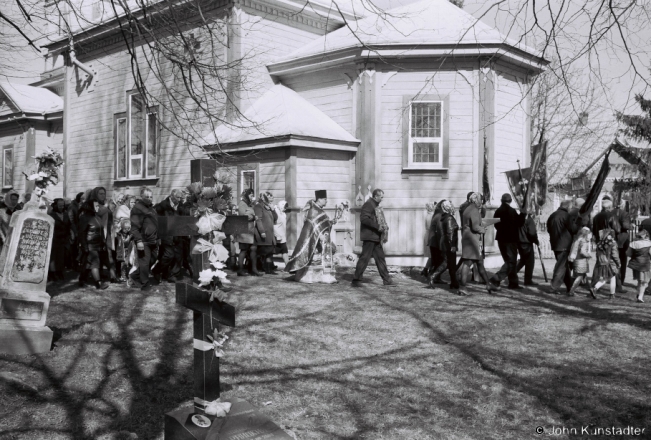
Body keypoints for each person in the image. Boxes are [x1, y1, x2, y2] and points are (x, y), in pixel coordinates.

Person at [286, 190, 338, 283]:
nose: (327, 201)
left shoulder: (318, 209)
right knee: (327, 250)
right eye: (325, 199)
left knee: (332, 249)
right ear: (319, 199)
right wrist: (320, 235)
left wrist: (330, 222)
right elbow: (314, 226)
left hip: (321, 239)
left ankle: (326, 274)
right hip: (314, 239)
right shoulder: (314, 210)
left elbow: (321, 224)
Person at [458, 192, 499, 296]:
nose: (481, 201)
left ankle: (488, 284)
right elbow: (475, 227)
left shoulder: (468, 209)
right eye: (480, 199)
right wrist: (483, 230)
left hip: (468, 239)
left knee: (479, 263)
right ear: (476, 200)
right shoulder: (474, 210)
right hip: (472, 240)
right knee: (467, 263)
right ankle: (462, 287)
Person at [351, 189, 392, 286]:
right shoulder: (368, 204)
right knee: (365, 258)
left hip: (375, 236)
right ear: (376, 196)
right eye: (381, 197)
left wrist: (383, 226)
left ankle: (387, 280)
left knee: (380, 258)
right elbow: (364, 219)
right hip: (370, 236)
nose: (382, 199)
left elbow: (378, 219)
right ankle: (356, 280)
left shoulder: (375, 205)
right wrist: (378, 226)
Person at [490, 194, 525, 289]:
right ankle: (496, 278)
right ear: (510, 201)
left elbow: (495, 225)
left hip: (501, 238)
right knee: (511, 261)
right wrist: (523, 214)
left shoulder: (498, 211)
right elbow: (520, 223)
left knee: (508, 260)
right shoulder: (511, 211)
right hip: (510, 239)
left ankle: (513, 283)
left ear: (502, 200)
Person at [130, 186, 159, 290]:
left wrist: (157, 237)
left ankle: (135, 275)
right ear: (141, 196)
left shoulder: (152, 208)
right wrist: (138, 241)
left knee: (153, 259)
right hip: (143, 240)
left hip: (153, 240)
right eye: (147, 196)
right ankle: (145, 284)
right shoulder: (137, 209)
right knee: (144, 262)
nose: (149, 198)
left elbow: (155, 224)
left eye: (151, 196)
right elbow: (134, 227)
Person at [78, 196, 109, 289]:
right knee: (95, 262)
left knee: (88, 263)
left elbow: (100, 231)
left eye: (98, 205)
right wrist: (84, 246)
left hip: (97, 244)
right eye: (96, 206)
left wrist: (103, 243)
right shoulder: (84, 217)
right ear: (91, 206)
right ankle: (98, 283)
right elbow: (81, 233)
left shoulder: (96, 217)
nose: (98, 207)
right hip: (89, 244)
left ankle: (82, 279)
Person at [428, 200, 459, 290]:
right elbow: (450, 233)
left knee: (452, 264)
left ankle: (454, 282)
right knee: (447, 262)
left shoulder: (443, 217)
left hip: (444, 243)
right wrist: (452, 245)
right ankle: (433, 276)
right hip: (449, 244)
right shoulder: (449, 218)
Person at [154, 189, 183, 282]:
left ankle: (172, 275)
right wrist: (158, 236)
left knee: (178, 255)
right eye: (177, 197)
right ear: (172, 196)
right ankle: (156, 271)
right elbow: (157, 221)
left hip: (178, 235)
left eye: (180, 198)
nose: (179, 199)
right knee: (168, 255)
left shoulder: (181, 206)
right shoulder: (162, 206)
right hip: (166, 235)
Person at [546, 200, 574, 294]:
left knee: (563, 266)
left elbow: (548, 229)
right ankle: (554, 287)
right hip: (564, 244)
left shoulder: (552, 215)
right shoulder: (566, 216)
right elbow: (573, 229)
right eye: (570, 207)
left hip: (556, 244)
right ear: (568, 207)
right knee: (561, 267)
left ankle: (570, 287)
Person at [588, 228, 620, 299]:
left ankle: (598, 289)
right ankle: (610, 293)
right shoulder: (612, 243)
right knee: (610, 278)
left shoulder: (600, 243)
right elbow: (615, 255)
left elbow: (597, 254)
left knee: (607, 277)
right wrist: (618, 263)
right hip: (610, 263)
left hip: (601, 262)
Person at [48, 198, 74, 282]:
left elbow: (69, 225)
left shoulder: (65, 214)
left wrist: (72, 233)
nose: (61, 207)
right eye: (60, 206)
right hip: (54, 238)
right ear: (55, 205)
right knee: (53, 257)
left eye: (63, 205)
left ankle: (60, 272)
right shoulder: (51, 215)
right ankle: (53, 273)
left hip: (64, 238)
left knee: (62, 256)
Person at [234, 189, 258, 276]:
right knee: (243, 250)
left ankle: (254, 269)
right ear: (247, 195)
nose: (252, 197)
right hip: (244, 231)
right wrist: (253, 217)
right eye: (251, 195)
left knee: (253, 249)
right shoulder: (242, 204)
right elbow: (243, 216)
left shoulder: (249, 204)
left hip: (250, 231)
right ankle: (240, 270)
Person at [254, 192, 278, 275]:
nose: (269, 199)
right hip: (264, 233)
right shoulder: (258, 206)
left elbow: (275, 218)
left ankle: (269, 269)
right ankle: (257, 268)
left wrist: (273, 210)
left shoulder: (269, 207)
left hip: (270, 233)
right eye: (267, 197)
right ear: (262, 198)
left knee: (270, 252)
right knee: (262, 252)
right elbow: (258, 220)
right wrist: (262, 231)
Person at [627, 229, 651, 303]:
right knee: (645, 282)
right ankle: (640, 297)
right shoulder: (649, 243)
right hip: (645, 264)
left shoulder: (633, 243)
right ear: (646, 235)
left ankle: (638, 294)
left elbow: (628, 254)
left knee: (639, 281)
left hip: (636, 264)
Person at [515, 213, 539, 286]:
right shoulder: (529, 220)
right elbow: (532, 233)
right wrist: (536, 240)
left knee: (523, 260)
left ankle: (512, 273)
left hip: (519, 242)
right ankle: (528, 280)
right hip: (526, 243)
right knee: (530, 262)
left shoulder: (519, 219)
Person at [613, 199, 631, 293]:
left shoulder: (610, 212)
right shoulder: (624, 213)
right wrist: (630, 225)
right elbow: (626, 226)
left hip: (611, 239)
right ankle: (620, 281)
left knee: (613, 261)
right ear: (622, 205)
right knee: (622, 261)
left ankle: (615, 281)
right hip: (622, 240)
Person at [567, 227, 592, 296]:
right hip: (581, 261)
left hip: (577, 260)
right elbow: (582, 252)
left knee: (584, 276)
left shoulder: (578, 239)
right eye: (590, 233)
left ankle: (592, 289)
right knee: (580, 276)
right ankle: (571, 291)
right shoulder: (583, 241)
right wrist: (588, 255)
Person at [426, 201, 446, 283]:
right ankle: (433, 277)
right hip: (436, 241)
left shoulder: (436, 214)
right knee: (439, 260)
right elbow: (440, 229)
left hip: (433, 240)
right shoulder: (439, 216)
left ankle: (434, 277)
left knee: (435, 260)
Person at [273, 200, 290, 265]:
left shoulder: (283, 214)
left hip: (282, 236)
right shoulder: (275, 212)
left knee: (284, 251)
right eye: (284, 206)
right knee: (271, 251)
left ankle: (287, 266)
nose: (285, 208)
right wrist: (276, 234)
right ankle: (268, 266)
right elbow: (273, 225)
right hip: (277, 235)